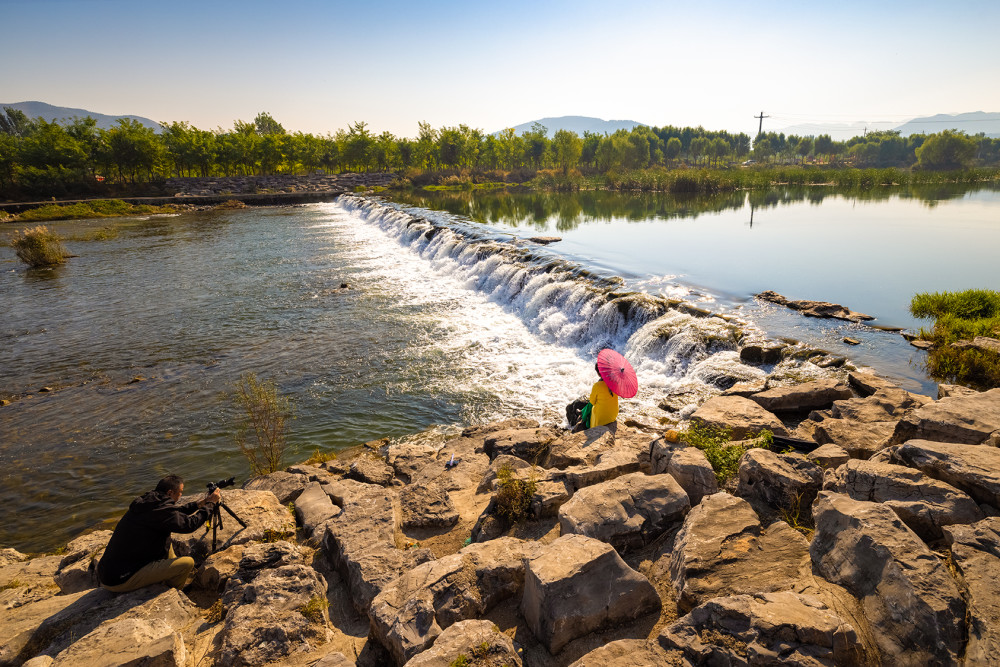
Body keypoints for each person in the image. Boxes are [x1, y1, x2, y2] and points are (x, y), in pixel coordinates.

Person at [97, 474, 220, 592]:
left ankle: (169, 574)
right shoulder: (161, 510)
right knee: (187, 563)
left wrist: (200, 504)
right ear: (170, 493)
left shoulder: (149, 502)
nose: (181, 495)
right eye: (180, 492)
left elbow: (174, 513)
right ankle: (173, 590)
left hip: (107, 571)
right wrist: (210, 504)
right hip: (120, 580)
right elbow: (189, 525)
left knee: (166, 539)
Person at [587, 363, 619, 429]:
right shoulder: (616, 382)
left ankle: (589, 426)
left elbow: (592, 402)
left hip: (601, 419)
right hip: (613, 415)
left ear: (598, 374)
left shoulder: (597, 385)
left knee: (591, 408)